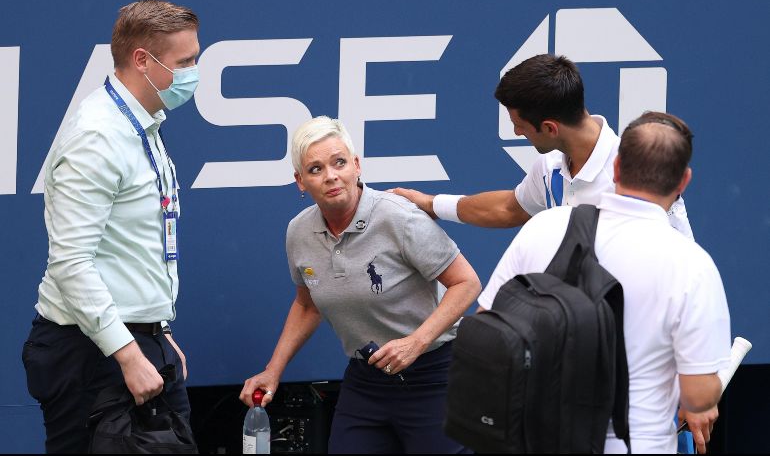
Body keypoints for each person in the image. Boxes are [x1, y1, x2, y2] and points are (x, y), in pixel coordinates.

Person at [478, 111, 731, 453]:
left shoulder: (544, 226)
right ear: (683, 181)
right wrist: (707, 381)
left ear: (616, 168)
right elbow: (698, 395)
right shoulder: (693, 265)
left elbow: (486, 329)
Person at [239, 116, 481, 454]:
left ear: (356, 165)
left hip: (434, 374)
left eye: (339, 162)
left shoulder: (399, 217)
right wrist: (273, 370)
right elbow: (308, 305)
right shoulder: (298, 232)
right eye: (315, 169)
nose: (331, 176)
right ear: (300, 182)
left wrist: (414, 342)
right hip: (366, 381)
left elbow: (466, 283)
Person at [21, 0, 200, 453]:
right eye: (186, 62)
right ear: (142, 60)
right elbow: (71, 262)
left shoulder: (143, 124)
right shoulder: (97, 136)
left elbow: (129, 247)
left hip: (139, 340)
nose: (194, 73)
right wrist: (126, 351)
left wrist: (156, 330)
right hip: (91, 356)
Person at [392, 54, 694, 260]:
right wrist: (432, 204)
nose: (516, 131)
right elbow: (510, 208)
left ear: (550, 127)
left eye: (520, 125)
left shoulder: (635, 180)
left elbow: (676, 275)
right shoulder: (549, 168)